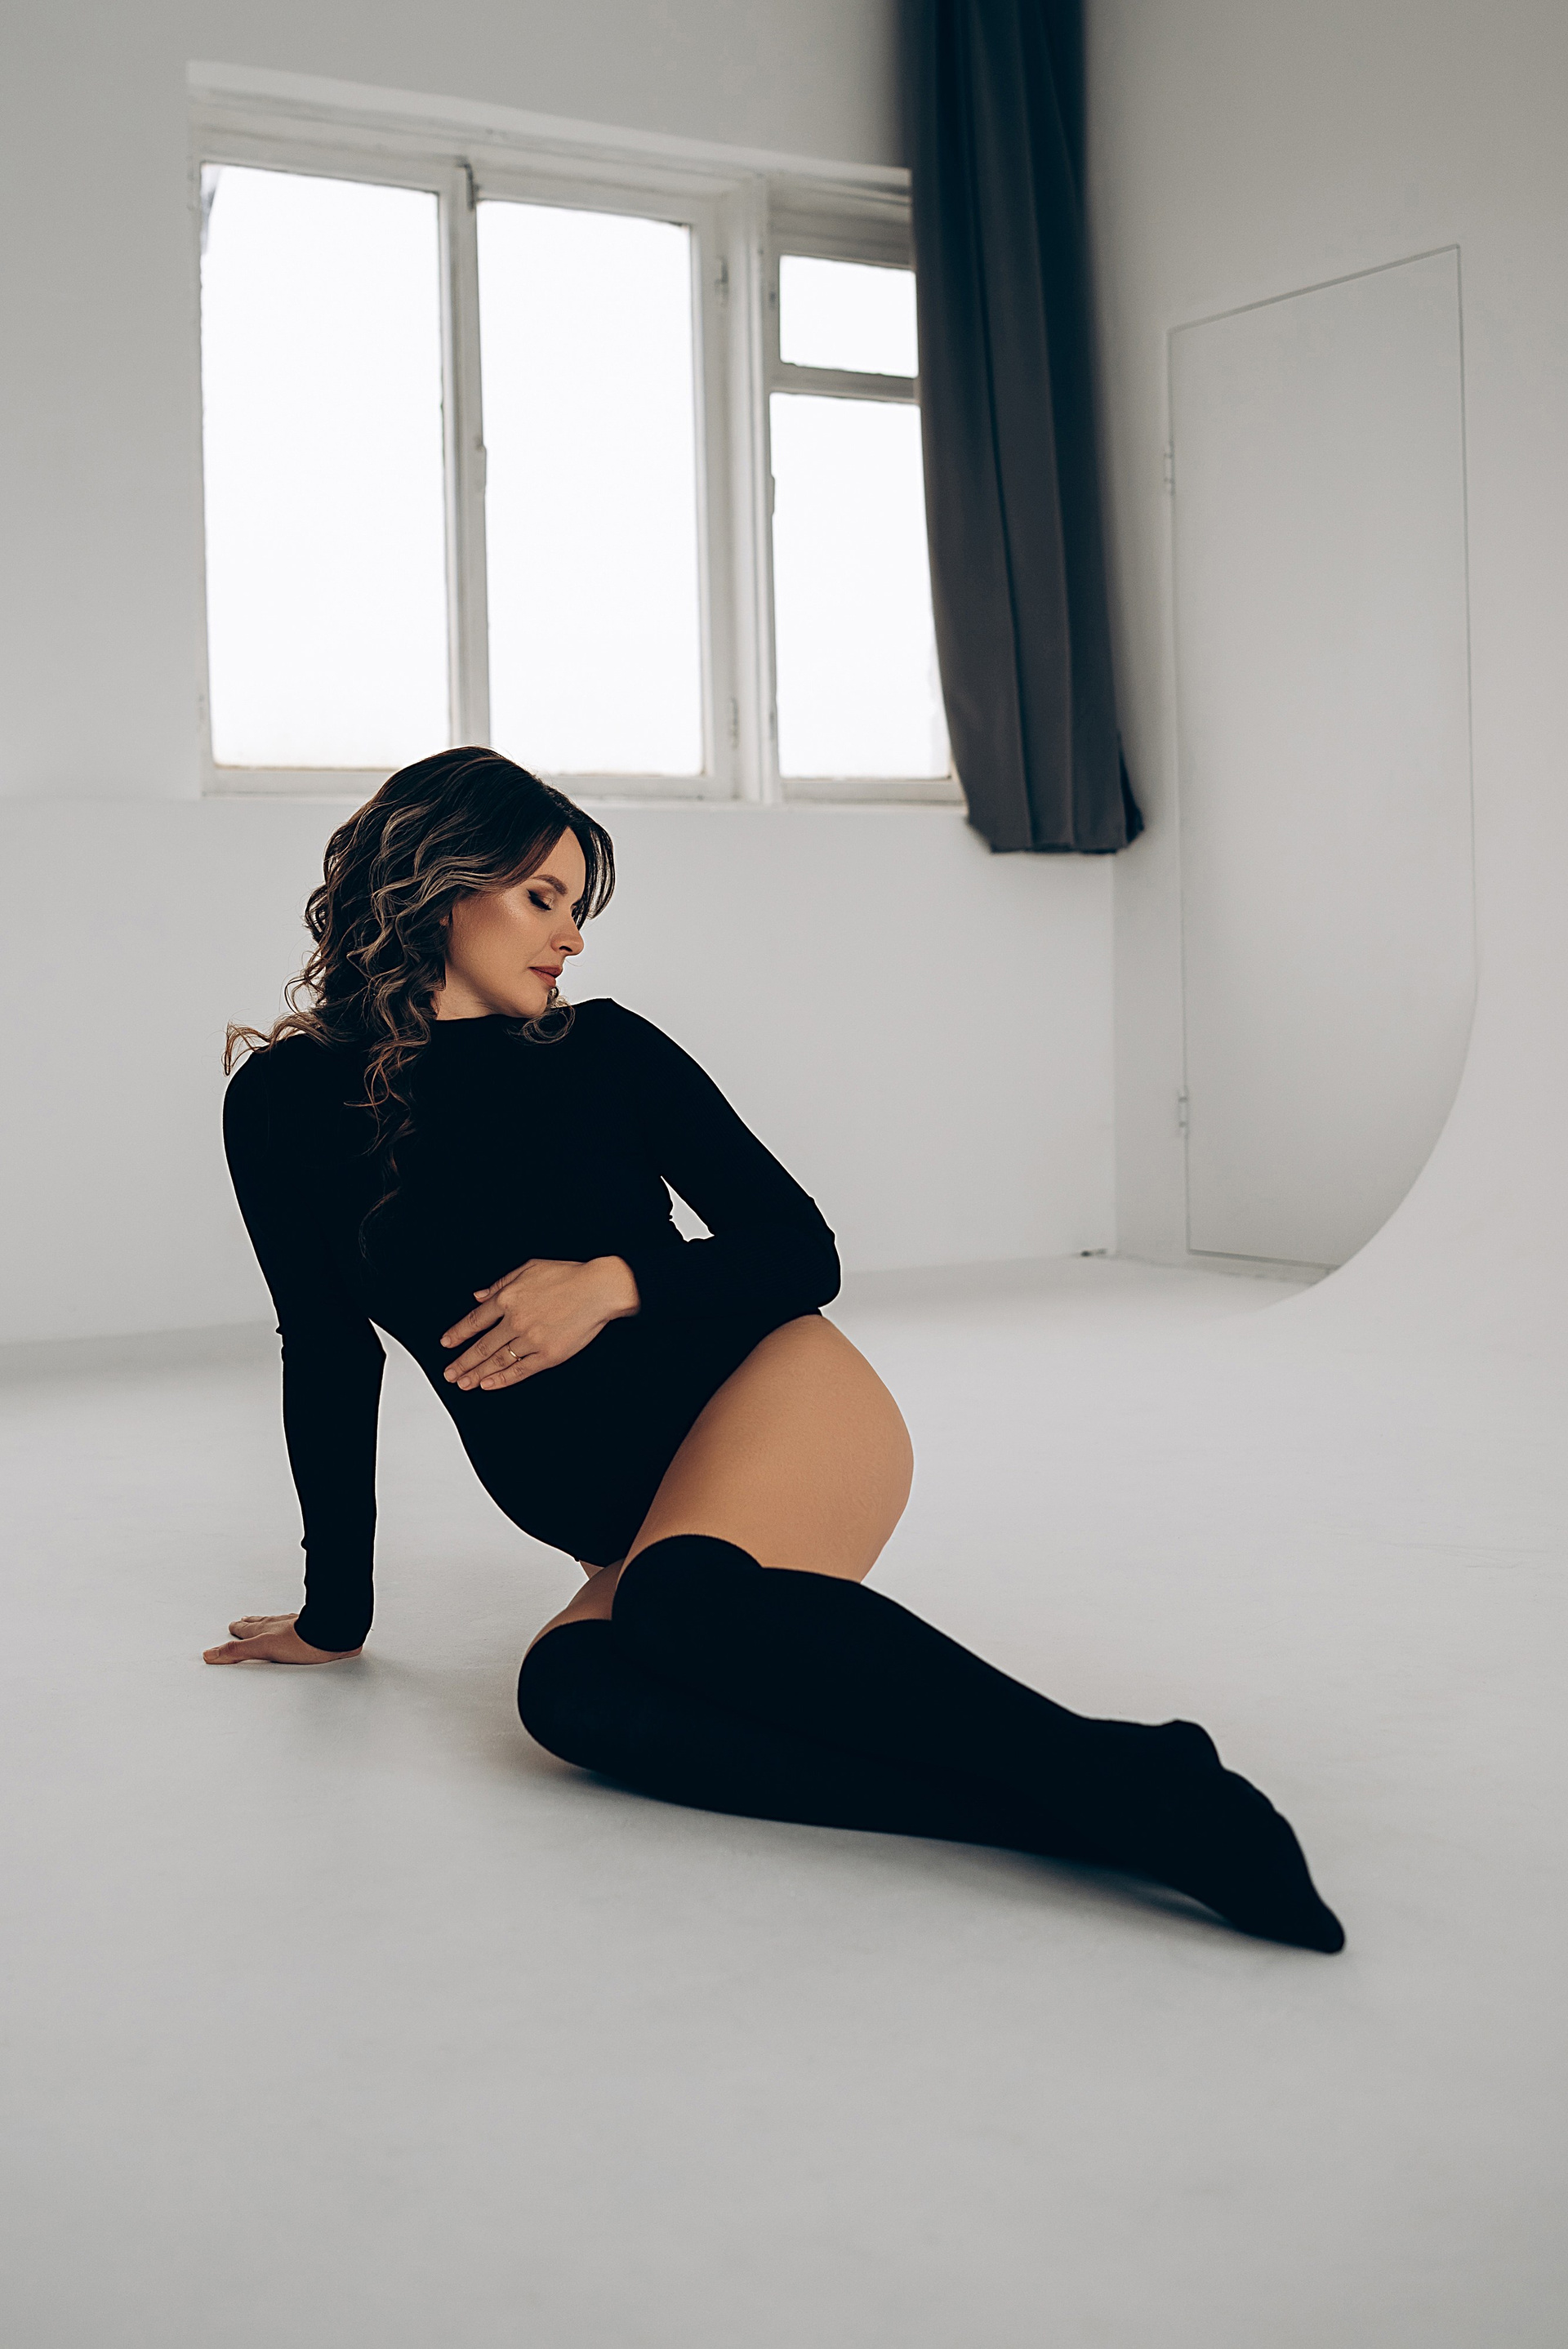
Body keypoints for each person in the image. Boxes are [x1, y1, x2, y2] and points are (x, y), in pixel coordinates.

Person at [210, 747, 1344, 1955]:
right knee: (570, 1697)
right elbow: (326, 1353)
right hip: (635, 1526)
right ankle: (1085, 1803)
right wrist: (336, 1614)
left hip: (776, 1397)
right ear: (441, 883)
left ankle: (1158, 1800)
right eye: (543, 898)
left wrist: (610, 1285)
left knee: (680, 1602)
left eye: (577, 907)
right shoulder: (282, 1104)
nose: (572, 939)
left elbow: (802, 1250)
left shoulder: (606, 1051)